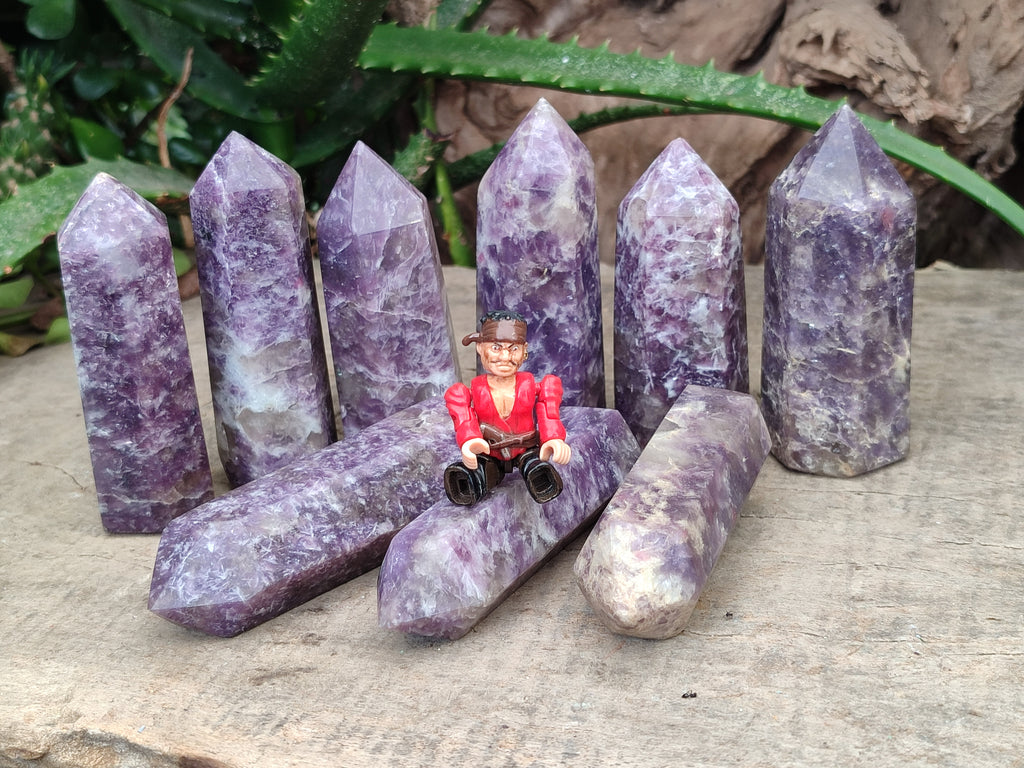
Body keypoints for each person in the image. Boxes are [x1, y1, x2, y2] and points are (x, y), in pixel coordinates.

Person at [443, 310, 571, 505]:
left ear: (524, 350)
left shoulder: (533, 385)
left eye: (513, 349)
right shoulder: (473, 389)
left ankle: (535, 474)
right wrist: (470, 441)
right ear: (480, 348)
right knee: (473, 477)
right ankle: (477, 480)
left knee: (539, 472)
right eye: (496, 348)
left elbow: (548, 410)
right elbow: (461, 412)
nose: (505, 357)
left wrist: (553, 439)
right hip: (489, 453)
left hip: (526, 450)